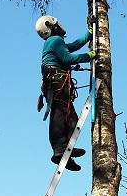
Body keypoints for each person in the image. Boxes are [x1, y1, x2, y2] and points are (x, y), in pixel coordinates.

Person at [35, 15, 96, 171]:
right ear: (51, 26)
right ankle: (60, 149)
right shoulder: (55, 41)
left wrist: (89, 33)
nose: (60, 25)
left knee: (71, 118)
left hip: (55, 80)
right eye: (57, 23)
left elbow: (74, 45)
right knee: (60, 114)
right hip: (56, 80)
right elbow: (68, 58)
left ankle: (65, 152)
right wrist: (88, 56)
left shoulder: (55, 43)